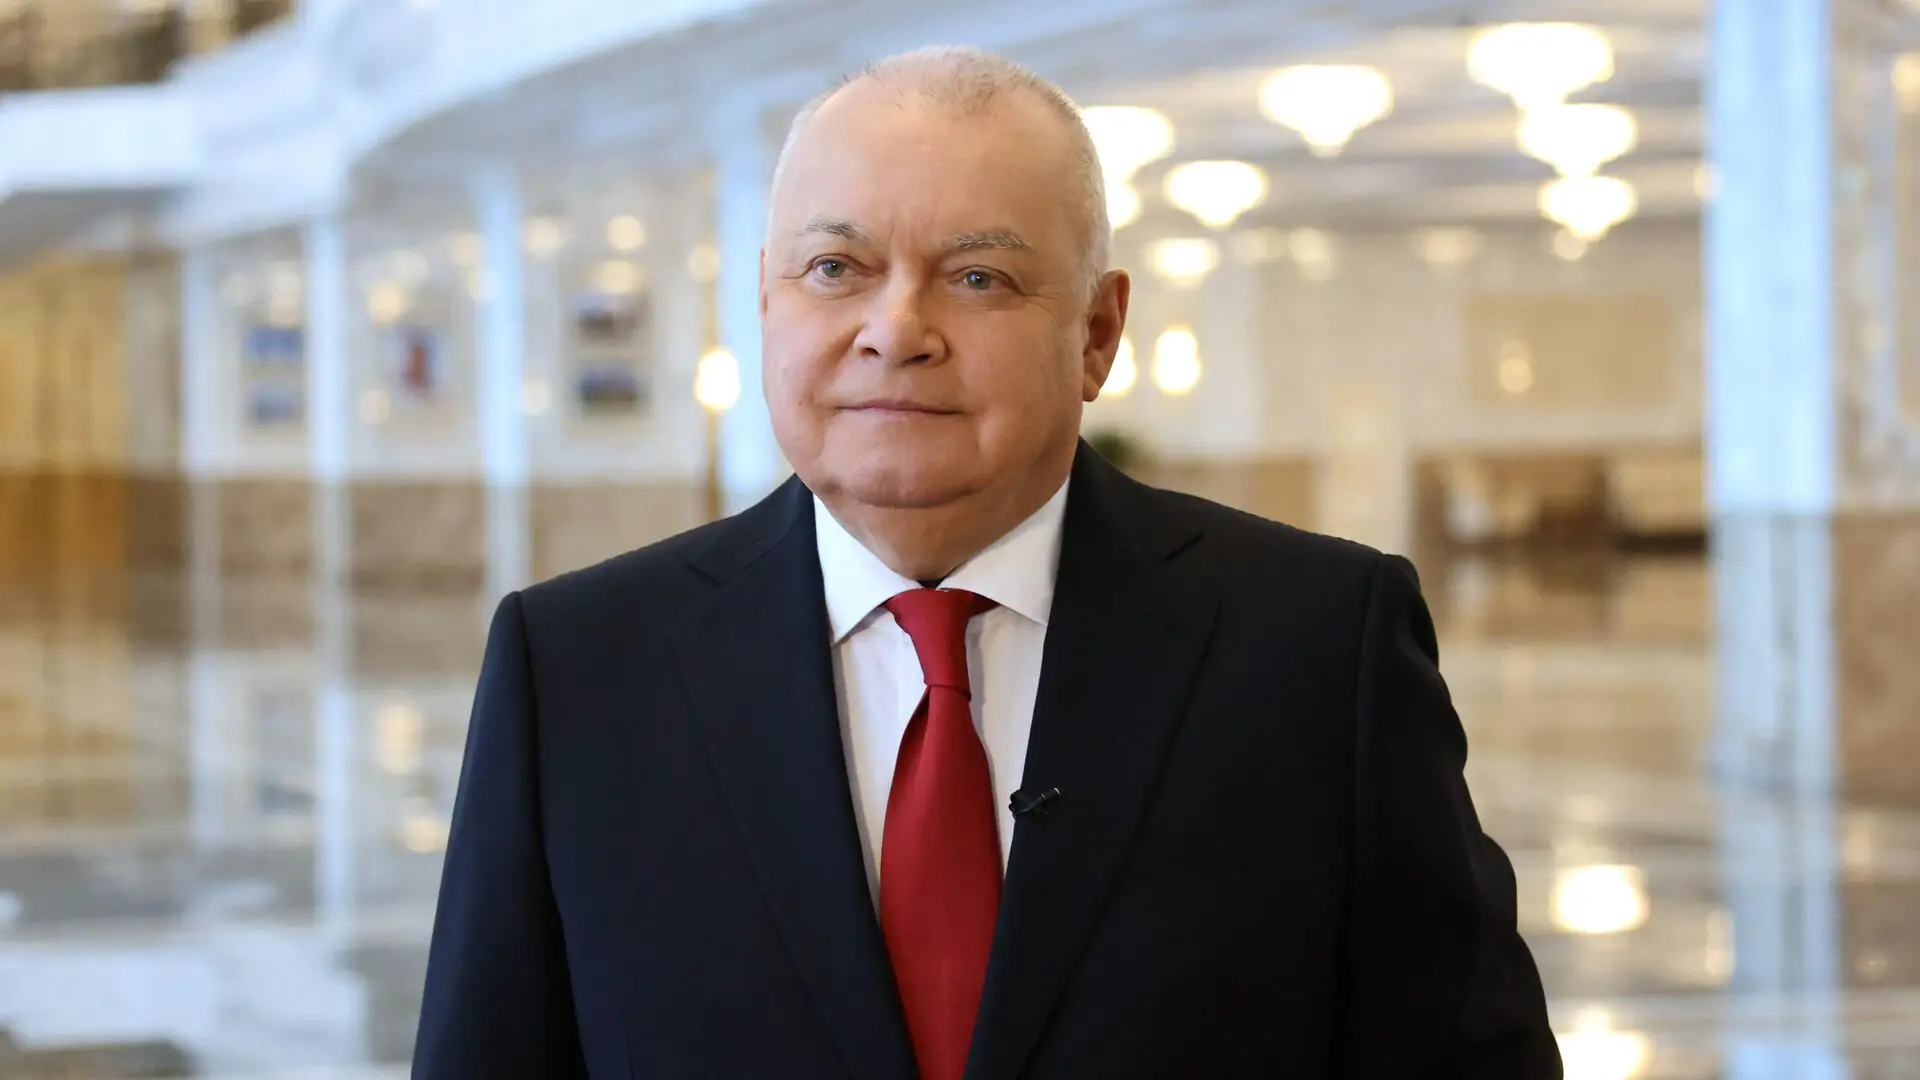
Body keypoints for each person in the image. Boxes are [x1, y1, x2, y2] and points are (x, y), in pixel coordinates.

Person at [414, 46, 1561, 1080]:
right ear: (765, 302)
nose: (896, 330)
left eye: (977, 278)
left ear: (1098, 334)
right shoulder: (577, 670)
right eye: (835, 268)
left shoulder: (1317, 647)